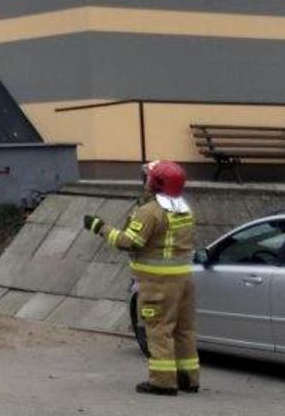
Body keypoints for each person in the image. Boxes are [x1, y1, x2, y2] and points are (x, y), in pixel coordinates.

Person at [84, 160, 200, 396]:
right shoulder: (184, 208)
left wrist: (101, 227)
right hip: (184, 279)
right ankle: (188, 378)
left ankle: (162, 382)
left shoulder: (150, 212)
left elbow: (129, 242)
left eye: (148, 178)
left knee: (158, 329)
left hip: (158, 283)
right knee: (183, 330)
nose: (145, 181)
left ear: (156, 183)